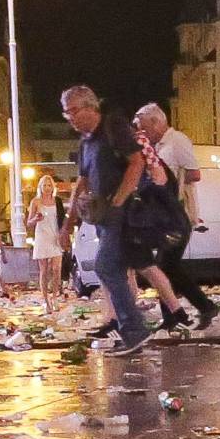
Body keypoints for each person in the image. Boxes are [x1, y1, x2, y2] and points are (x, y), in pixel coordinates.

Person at [58, 84, 151, 353]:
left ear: (91, 106)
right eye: (66, 114)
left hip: (122, 212)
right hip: (102, 216)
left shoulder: (113, 127)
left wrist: (120, 200)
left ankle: (134, 328)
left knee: (106, 266)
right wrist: (67, 225)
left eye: (74, 111)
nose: (71, 118)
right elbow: (81, 184)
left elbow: (137, 162)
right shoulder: (86, 142)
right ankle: (128, 326)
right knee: (116, 269)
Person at [133, 103, 217, 327]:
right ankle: (180, 313)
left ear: (156, 122)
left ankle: (199, 308)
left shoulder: (177, 141)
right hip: (164, 215)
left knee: (164, 266)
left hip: (176, 213)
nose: (143, 133)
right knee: (165, 266)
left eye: (144, 127)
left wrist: (168, 183)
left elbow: (194, 173)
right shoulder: (155, 147)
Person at [29, 173, 65, 314]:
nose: (47, 188)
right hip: (42, 236)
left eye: (49, 185)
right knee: (44, 271)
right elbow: (29, 222)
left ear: (53, 187)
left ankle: (55, 297)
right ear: (40, 187)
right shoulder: (36, 202)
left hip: (55, 237)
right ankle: (46, 301)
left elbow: (63, 219)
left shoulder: (57, 201)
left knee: (56, 269)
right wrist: (36, 219)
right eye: (44, 185)